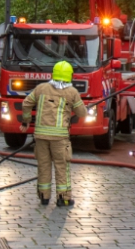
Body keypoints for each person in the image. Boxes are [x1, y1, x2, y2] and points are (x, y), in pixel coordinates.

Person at [20, 61, 87, 207]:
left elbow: (26, 103)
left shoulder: (41, 88)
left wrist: (26, 121)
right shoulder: (72, 92)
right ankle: (63, 198)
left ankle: (44, 197)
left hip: (40, 137)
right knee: (61, 166)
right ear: (70, 76)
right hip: (60, 138)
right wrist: (78, 107)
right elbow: (82, 113)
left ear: (53, 73)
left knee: (43, 165)